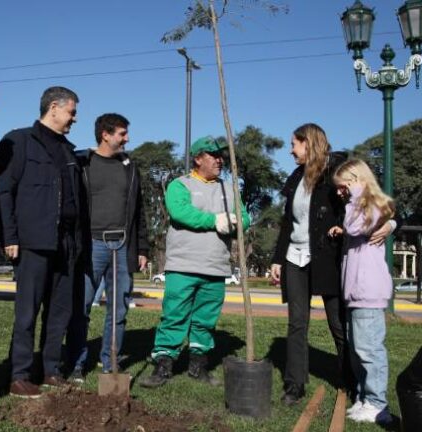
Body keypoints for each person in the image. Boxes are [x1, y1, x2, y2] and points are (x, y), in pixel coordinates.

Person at [269, 123, 396, 406]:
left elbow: (373, 202)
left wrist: (391, 224)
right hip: (295, 257)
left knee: (338, 324)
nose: (291, 151)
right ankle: (294, 384)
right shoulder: (295, 178)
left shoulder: (339, 171)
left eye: (294, 144)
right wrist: (278, 259)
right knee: (297, 323)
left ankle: (352, 383)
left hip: (329, 258)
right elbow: (288, 222)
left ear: (309, 143)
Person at [0, 86, 87, 398]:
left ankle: (50, 370)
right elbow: (3, 191)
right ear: (54, 108)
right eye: (71, 111)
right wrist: (11, 236)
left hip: (66, 245)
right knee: (27, 313)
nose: (74, 118)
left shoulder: (69, 150)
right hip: (33, 242)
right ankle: (19, 375)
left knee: (59, 313)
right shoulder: (18, 141)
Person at [139, 137, 250, 388]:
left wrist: (237, 222)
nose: (219, 159)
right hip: (183, 266)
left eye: (220, 155)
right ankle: (163, 364)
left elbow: (245, 216)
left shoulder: (230, 189)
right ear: (198, 158)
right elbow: (180, 213)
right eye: (212, 155)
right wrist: (216, 221)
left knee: (205, 319)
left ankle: (198, 365)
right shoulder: (180, 185)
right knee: (174, 316)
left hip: (216, 266)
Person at [66, 113, 148, 383]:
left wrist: (143, 248)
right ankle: (76, 363)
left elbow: (140, 212)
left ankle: (109, 362)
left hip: (123, 245)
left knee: (120, 308)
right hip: (91, 244)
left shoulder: (130, 167)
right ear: (105, 134)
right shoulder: (81, 162)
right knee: (82, 306)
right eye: (122, 134)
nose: (127, 139)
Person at [330, 159, 395, 424]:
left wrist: (356, 194)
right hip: (356, 291)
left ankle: (379, 405)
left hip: (368, 291)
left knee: (369, 349)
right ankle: (365, 397)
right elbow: (354, 228)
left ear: (356, 180)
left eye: (343, 186)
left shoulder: (370, 204)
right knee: (358, 349)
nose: (339, 192)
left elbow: (357, 226)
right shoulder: (361, 206)